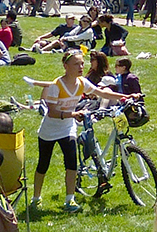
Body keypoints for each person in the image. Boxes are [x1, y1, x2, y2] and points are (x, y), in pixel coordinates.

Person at [29, 50, 125, 213]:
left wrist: (127, 96)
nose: (81, 67)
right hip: (49, 130)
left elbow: (102, 93)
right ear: (66, 66)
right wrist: (72, 114)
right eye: (76, 64)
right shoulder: (56, 86)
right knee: (43, 164)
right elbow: (51, 112)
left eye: (82, 63)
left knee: (71, 164)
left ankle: (70, 200)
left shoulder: (82, 83)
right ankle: (36, 198)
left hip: (67, 129)